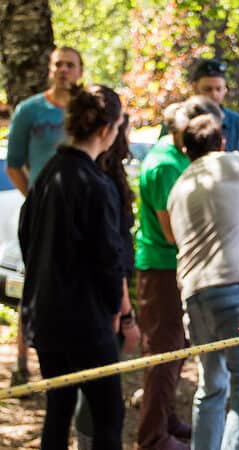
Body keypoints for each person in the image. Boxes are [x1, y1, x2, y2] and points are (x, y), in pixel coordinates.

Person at [18, 84, 125, 450]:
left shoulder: (48, 173)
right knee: (108, 415)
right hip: (85, 321)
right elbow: (107, 257)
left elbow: (25, 235)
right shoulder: (95, 184)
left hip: (46, 316)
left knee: (59, 408)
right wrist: (116, 309)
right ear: (105, 129)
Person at [168, 114, 239, 450]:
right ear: (222, 142)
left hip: (194, 294)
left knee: (210, 386)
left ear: (185, 149)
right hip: (237, 286)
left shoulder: (178, 187)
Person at [135, 96, 222, 450]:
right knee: (164, 351)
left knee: (174, 348)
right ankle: (153, 437)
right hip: (162, 267)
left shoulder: (169, 155)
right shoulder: (167, 165)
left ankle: (166, 419)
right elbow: (175, 230)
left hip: (169, 265)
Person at [6, 46, 83, 386]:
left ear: (80, 70)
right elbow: (13, 165)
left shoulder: (87, 109)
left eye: (70, 65)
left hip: (82, 214)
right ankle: (23, 362)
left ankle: (76, 357)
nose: (63, 70)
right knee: (33, 283)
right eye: (58, 64)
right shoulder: (29, 110)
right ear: (50, 69)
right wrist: (37, 200)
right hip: (40, 217)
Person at [74, 112, 141, 450]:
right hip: (104, 302)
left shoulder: (103, 177)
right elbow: (109, 254)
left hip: (100, 297)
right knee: (101, 395)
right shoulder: (101, 183)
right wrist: (124, 313)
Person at [162, 58, 239, 157]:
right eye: (207, 89)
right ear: (195, 87)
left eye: (218, 89)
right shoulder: (177, 119)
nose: (214, 94)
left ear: (225, 89)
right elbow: (165, 155)